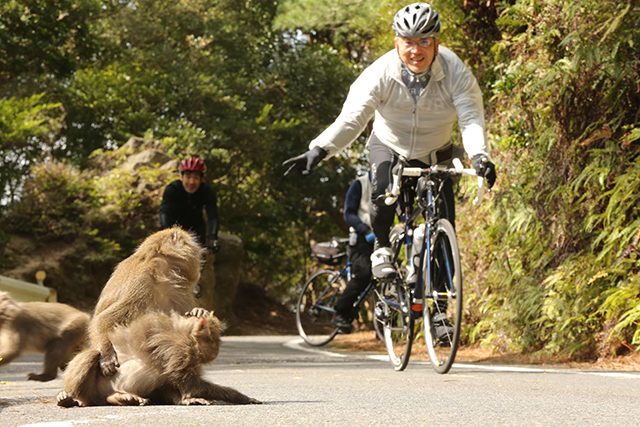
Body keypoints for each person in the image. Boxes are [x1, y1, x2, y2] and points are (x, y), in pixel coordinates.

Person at [283, 3, 496, 339]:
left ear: (436, 43)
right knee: (383, 190)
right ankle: (382, 245)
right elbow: (353, 119)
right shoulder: (380, 72)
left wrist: (480, 156)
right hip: (389, 145)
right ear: (397, 42)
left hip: (435, 151)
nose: (416, 49)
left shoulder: (455, 70)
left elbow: (470, 116)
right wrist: (320, 149)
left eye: (425, 41)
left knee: (443, 225)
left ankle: (440, 310)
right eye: (409, 41)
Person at [332, 173, 375, 333]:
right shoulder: (360, 184)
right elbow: (348, 213)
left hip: (382, 237)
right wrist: (364, 229)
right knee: (365, 273)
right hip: (361, 238)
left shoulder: (390, 184)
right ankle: (340, 312)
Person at [159, 157, 220, 253]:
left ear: (201, 179)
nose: (191, 182)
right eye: (188, 177)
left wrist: (213, 237)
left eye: (196, 177)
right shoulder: (172, 189)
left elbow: (212, 216)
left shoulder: (207, 192)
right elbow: (164, 213)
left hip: (196, 230)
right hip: (174, 228)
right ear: (181, 177)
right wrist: (168, 233)